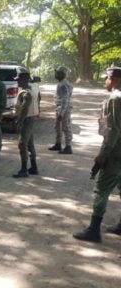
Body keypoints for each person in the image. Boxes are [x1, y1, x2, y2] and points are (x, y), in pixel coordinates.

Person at [73, 67, 121, 243]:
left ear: (114, 79)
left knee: (102, 189)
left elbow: (113, 130)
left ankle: (94, 230)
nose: (105, 82)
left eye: (107, 79)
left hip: (116, 154)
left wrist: (103, 154)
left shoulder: (115, 99)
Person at [12, 68, 40, 178]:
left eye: (19, 80)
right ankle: (33, 167)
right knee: (29, 143)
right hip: (30, 119)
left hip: (27, 119)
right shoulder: (30, 90)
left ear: (25, 80)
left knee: (22, 144)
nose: (17, 81)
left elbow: (24, 108)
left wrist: (19, 121)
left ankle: (24, 170)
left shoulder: (26, 93)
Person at [48, 66, 73, 154]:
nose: (56, 74)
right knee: (57, 127)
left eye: (57, 73)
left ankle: (68, 147)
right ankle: (58, 144)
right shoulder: (62, 83)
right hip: (60, 108)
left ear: (62, 74)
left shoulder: (63, 84)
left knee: (66, 127)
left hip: (64, 109)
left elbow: (65, 100)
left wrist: (61, 113)